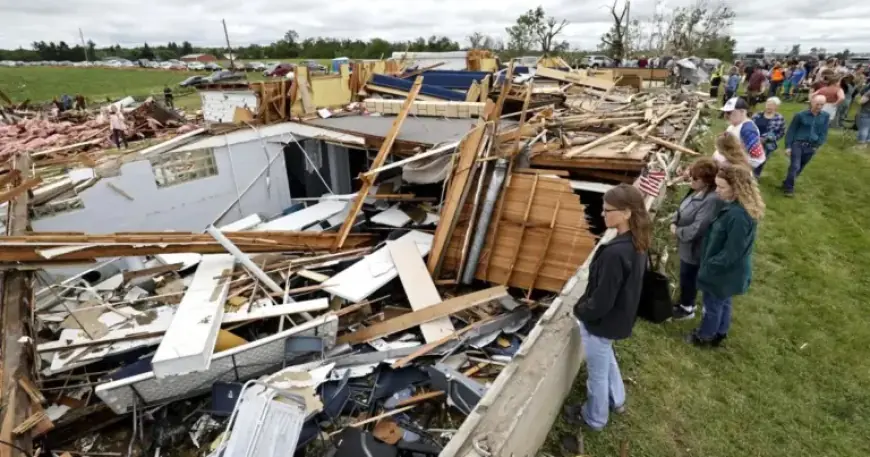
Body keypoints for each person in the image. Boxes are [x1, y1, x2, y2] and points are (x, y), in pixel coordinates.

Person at [566, 184, 650, 431]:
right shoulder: (638, 241)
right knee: (607, 358)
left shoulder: (615, 254)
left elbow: (602, 300)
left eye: (607, 210)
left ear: (626, 213)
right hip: (620, 319)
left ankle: (594, 418)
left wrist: (581, 310)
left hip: (601, 324)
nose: (602, 214)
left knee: (597, 375)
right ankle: (617, 399)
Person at [687, 166, 763, 347]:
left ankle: (704, 336)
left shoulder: (739, 217)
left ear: (736, 188)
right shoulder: (735, 207)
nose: (717, 191)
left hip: (722, 271)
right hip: (726, 271)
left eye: (721, 187)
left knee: (711, 305)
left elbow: (732, 252)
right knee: (723, 301)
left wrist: (710, 266)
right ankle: (720, 331)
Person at [670, 158, 720, 320]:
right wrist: (675, 219)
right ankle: (684, 301)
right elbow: (684, 207)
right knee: (685, 274)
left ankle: (687, 308)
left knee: (689, 275)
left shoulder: (711, 200)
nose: (690, 180)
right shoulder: (697, 190)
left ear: (706, 181)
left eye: (694, 178)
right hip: (686, 245)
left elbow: (697, 228)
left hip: (695, 248)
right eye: (691, 176)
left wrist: (677, 231)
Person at [782, 94, 830, 196]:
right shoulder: (800, 115)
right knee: (795, 166)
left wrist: (818, 144)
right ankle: (789, 189)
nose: (819, 107)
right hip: (798, 144)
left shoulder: (825, 116)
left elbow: (824, 132)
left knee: (800, 167)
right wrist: (788, 146)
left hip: (811, 146)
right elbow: (791, 131)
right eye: (817, 104)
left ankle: (787, 182)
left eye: (822, 105)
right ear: (812, 102)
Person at [720, 97, 766, 172]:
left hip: (742, 165)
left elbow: (756, 155)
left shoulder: (748, 129)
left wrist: (734, 161)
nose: (726, 116)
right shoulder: (734, 125)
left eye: (729, 112)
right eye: (725, 112)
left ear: (742, 112)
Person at [751, 97, 786, 177]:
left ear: (776, 107)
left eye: (772, 105)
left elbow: (781, 132)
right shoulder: (757, 115)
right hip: (753, 141)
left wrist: (771, 138)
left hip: (768, 144)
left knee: (761, 160)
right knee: (749, 158)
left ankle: (756, 175)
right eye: (767, 104)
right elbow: (749, 126)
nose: (769, 107)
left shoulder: (779, 118)